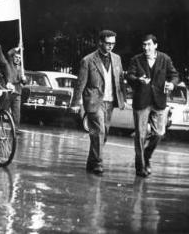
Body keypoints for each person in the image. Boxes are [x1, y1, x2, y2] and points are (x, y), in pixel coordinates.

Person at [71, 30, 126, 175]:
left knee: (104, 134)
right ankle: (98, 164)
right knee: (99, 131)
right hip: (94, 101)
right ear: (100, 42)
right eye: (108, 43)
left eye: (113, 43)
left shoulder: (117, 59)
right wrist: (76, 102)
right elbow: (80, 83)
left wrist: (123, 98)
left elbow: (120, 80)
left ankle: (91, 161)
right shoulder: (88, 60)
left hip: (110, 101)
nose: (110, 46)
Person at [127, 34, 179, 177]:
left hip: (159, 102)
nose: (146, 48)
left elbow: (174, 75)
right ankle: (140, 168)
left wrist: (172, 84)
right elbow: (129, 76)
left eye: (149, 44)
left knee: (159, 133)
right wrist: (138, 79)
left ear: (156, 45)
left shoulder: (165, 59)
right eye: (144, 45)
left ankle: (147, 155)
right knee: (140, 136)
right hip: (141, 102)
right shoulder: (136, 60)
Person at [6, 47, 26, 134]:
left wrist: (24, 79)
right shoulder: (9, 64)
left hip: (17, 92)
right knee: (4, 109)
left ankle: (15, 129)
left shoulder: (21, 68)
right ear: (13, 58)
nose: (17, 59)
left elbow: (24, 82)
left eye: (19, 58)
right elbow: (9, 53)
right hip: (8, 90)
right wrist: (17, 48)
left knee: (16, 112)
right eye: (16, 57)